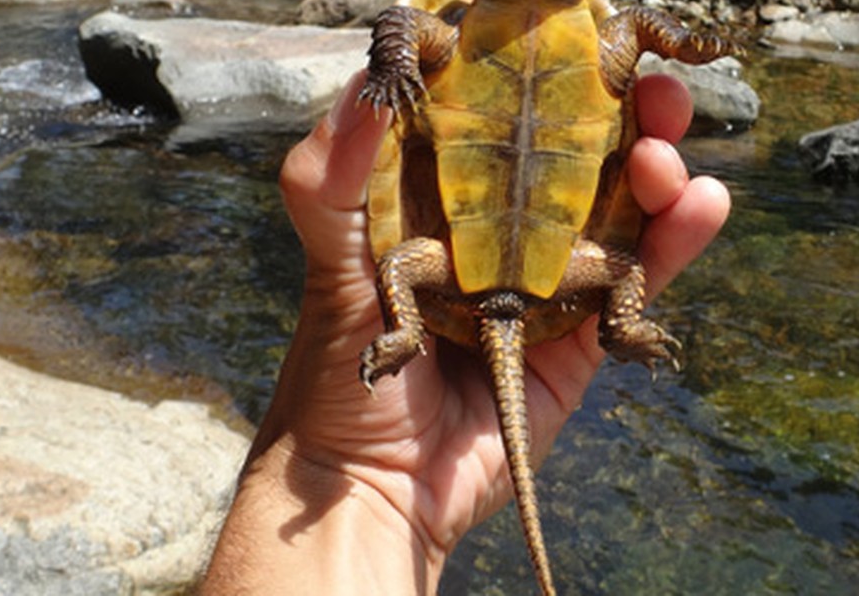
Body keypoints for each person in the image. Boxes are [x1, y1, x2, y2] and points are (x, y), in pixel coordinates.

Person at [200, 70, 732, 594]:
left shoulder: (478, 39)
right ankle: (599, 327)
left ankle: (597, 328)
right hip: (534, 273)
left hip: (457, 268)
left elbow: (407, 36)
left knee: (407, 266)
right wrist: (357, 467)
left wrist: (349, 474)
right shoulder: (574, 45)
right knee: (624, 261)